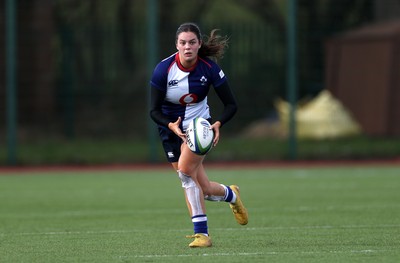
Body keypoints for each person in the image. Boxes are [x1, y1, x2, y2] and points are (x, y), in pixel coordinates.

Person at [149, 22, 248, 248]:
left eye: (192, 42)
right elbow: (153, 111)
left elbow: (231, 104)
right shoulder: (163, 70)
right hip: (170, 128)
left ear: (199, 44)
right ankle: (231, 195)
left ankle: (202, 234)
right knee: (202, 189)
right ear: (176, 45)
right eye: (183, 43)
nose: (187, 47)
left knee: (185, 174)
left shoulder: (209, 69)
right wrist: (170, 125)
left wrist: (218, 124)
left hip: (198, 127)